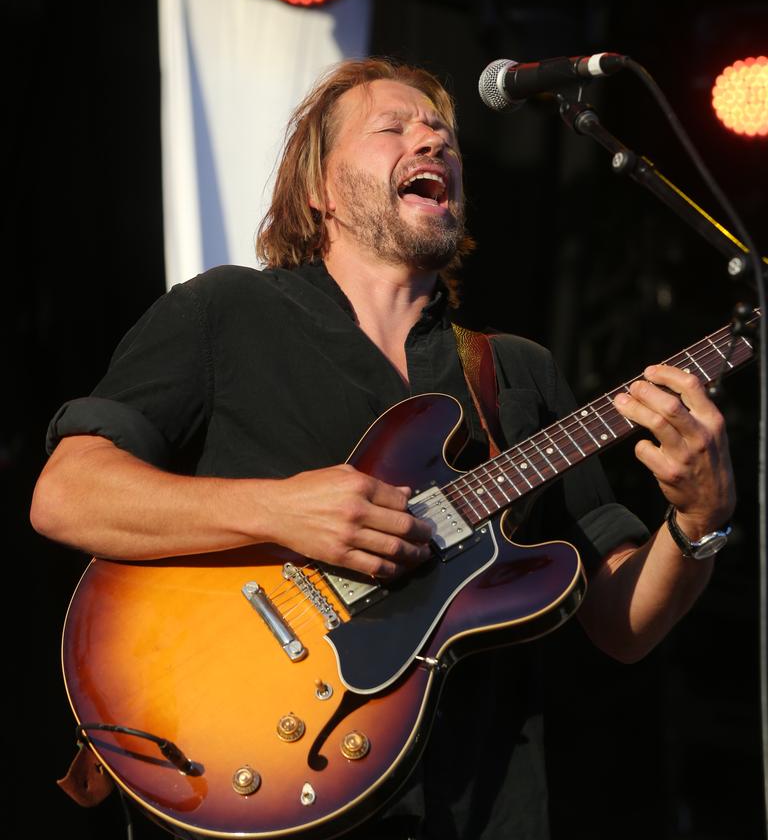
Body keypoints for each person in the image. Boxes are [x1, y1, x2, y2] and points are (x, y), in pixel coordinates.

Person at [31, 57, 736, 840]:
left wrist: (699, 524)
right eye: (393, 128)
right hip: (251, 770)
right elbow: (67, 494)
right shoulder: (225, 312)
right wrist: (281, 510)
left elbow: (621, 623)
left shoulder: (516, 372)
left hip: (476, 807)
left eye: (442, 134)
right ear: (319, 189)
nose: (431, 141)